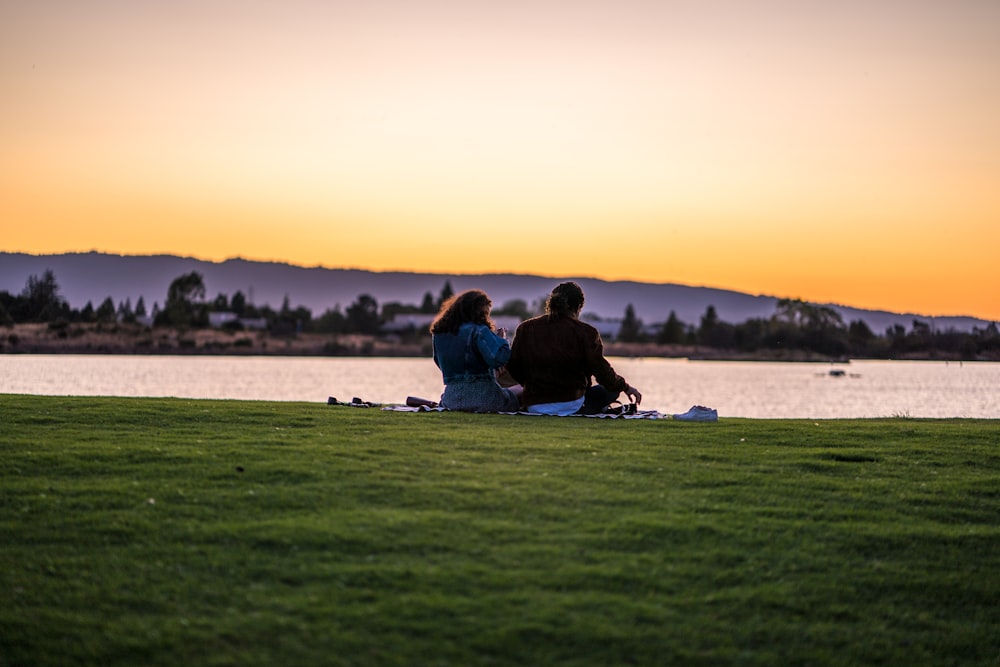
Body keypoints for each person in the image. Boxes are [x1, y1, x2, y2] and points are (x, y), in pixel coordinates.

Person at [507, 281, 641, 415]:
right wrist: (625, 387)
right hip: (573, 404)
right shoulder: (587, 333)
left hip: (534, 404)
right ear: (579, 307)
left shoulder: (525, 329)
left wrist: (532, 386)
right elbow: (603, 372)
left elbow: (513, 366)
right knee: (610, 390)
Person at [430, 289, 522, 413]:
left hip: (451, 398)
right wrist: (502, 340)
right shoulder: (479, 330)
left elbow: (438, 362)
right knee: (522, 389)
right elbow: (498, 359)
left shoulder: (439, 334)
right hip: (484, 398)